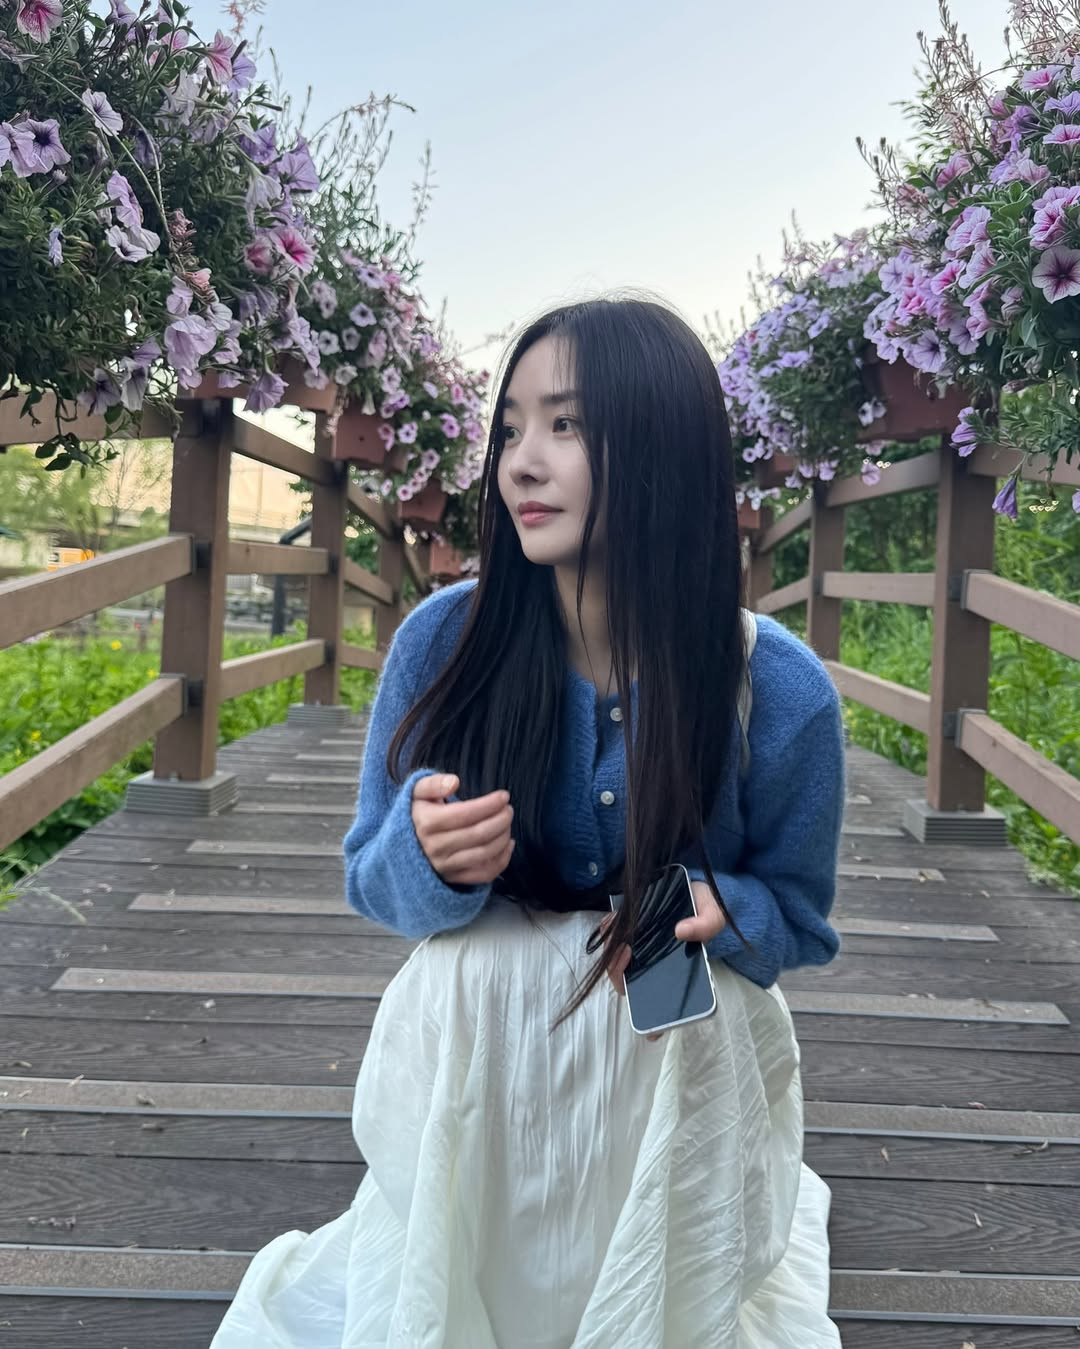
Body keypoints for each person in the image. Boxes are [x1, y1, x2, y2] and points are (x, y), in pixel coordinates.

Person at [210, 295, 845, 1348]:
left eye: (567, 424)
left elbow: (801, 921)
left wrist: (723, 909)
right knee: (471, 981)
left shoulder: (772, 684)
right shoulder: (445, 643)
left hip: (667, 1030)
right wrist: (426, 857)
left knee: (693, 1024)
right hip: (484, 1035)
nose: (521, 464)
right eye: (510, 429)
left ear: (665, 450)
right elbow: (370, 876)